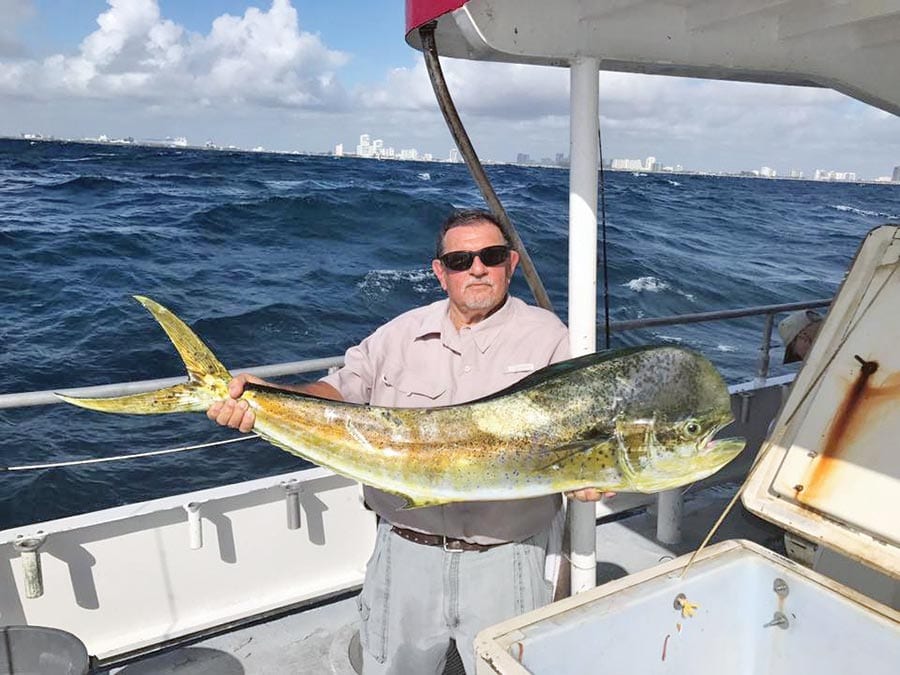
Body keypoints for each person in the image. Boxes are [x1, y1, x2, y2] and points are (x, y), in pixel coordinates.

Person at [207, 209, 606, 674]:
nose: (476, 268)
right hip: (405, 553)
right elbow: (337, 393)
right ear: (440, 273)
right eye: (460, 260)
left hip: (507, 557)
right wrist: (265, 399)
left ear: (511, 263)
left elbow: (587, 434)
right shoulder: (398, 334)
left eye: (491, 256)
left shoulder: (552, 340)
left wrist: (593, 472)